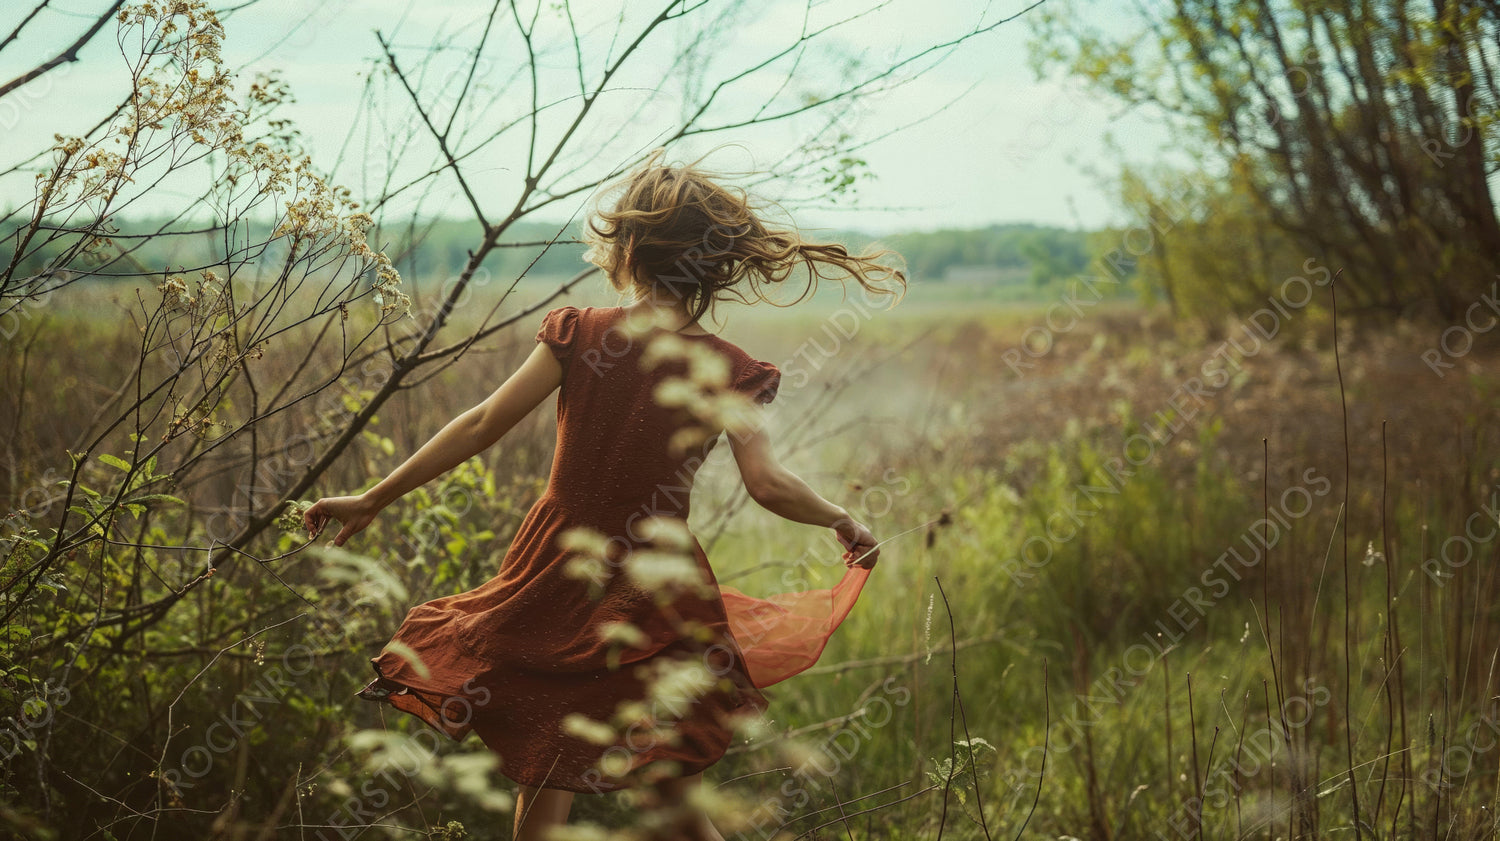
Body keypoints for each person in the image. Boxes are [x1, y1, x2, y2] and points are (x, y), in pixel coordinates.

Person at [303, 147, 906, 840]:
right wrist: (842, 519)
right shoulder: (728, 368)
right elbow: (767, 483)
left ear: (629, 249)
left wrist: (374, 497)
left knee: (551, 765)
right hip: (658, 586)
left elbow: (481, 423)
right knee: (672, 799)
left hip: (559, 568)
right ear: (712, 263)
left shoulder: (580, 332)